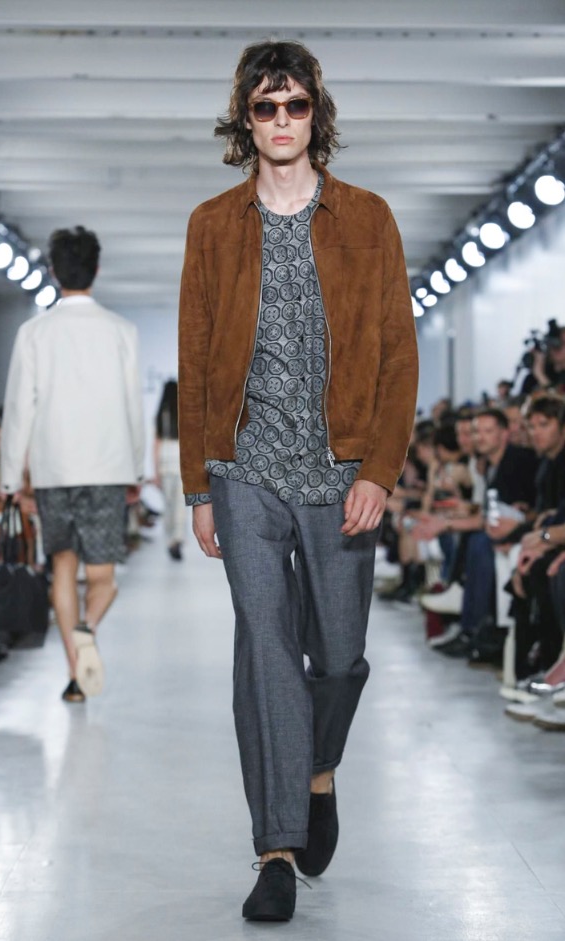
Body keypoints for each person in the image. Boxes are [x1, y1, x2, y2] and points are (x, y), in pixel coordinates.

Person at [178, 40, 418, 921]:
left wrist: (380, 470)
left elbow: (397, 355)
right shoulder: (213, 224)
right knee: (266, 647)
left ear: (317, 113)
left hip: (341, 468)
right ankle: (276, 847)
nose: (281, 120)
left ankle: (317, 768)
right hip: (244, 468)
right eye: (264, 106)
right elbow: (195, 359)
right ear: (244, 121)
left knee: (340, 653)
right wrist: (198, 486)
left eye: (295, 105)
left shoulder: (368, 217)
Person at [0, 226, 145, 703]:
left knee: (63, 566)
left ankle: (74, 673)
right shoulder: (122, 331)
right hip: (107, 467)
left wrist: (9, 478)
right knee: (103, 578)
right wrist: (136, 469)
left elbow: (19, 408)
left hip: (54, 468)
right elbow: (133, 405)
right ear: (96, 270)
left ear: (53, 271)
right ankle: (88, 628)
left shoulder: (33, 332)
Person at [154, 379, 185, 560]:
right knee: (180, 504)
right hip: (180, 460)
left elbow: (156, 443)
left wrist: (156, 471)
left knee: (168, 504)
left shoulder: (161, 414)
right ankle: (178, 538)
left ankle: (169, 540)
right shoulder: (183, 412)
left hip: (165, 460)